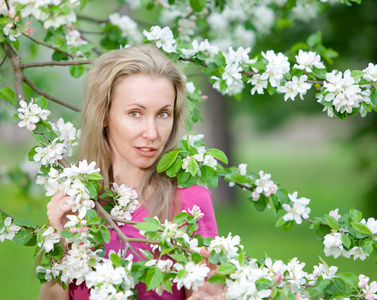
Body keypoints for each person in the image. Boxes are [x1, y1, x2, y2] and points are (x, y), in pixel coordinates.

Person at [39, 44, 221, 299]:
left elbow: (208, 291)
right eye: (135, 113)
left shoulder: (189, 203)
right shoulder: (76, 203)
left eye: (163, 114)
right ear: (104, 114)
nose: (152, 133)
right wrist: (58, 243)